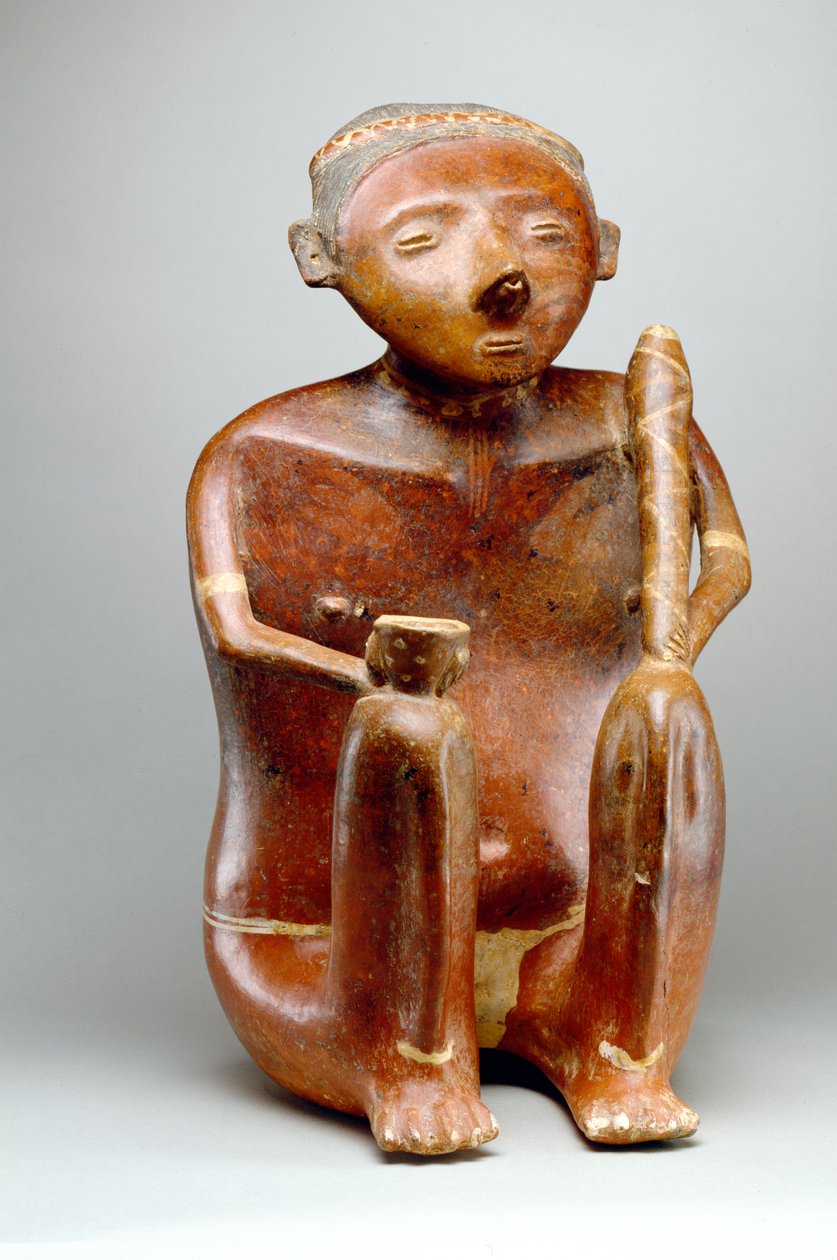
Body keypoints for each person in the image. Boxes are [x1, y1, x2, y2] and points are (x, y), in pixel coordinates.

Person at [187, 103, 751, 1154]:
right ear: (319, 258)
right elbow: (236, 632)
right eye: (423, 239)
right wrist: (372, 677)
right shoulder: (263, 456)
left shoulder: (632, 423)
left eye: (545, 235)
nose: (504, 277)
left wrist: (676, 645)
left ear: (604, 248)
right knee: (413, 727)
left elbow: (726, 559)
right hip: (324, 945)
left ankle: (620, 1044)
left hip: (577, 930)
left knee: (666, 708)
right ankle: (412, 1063)